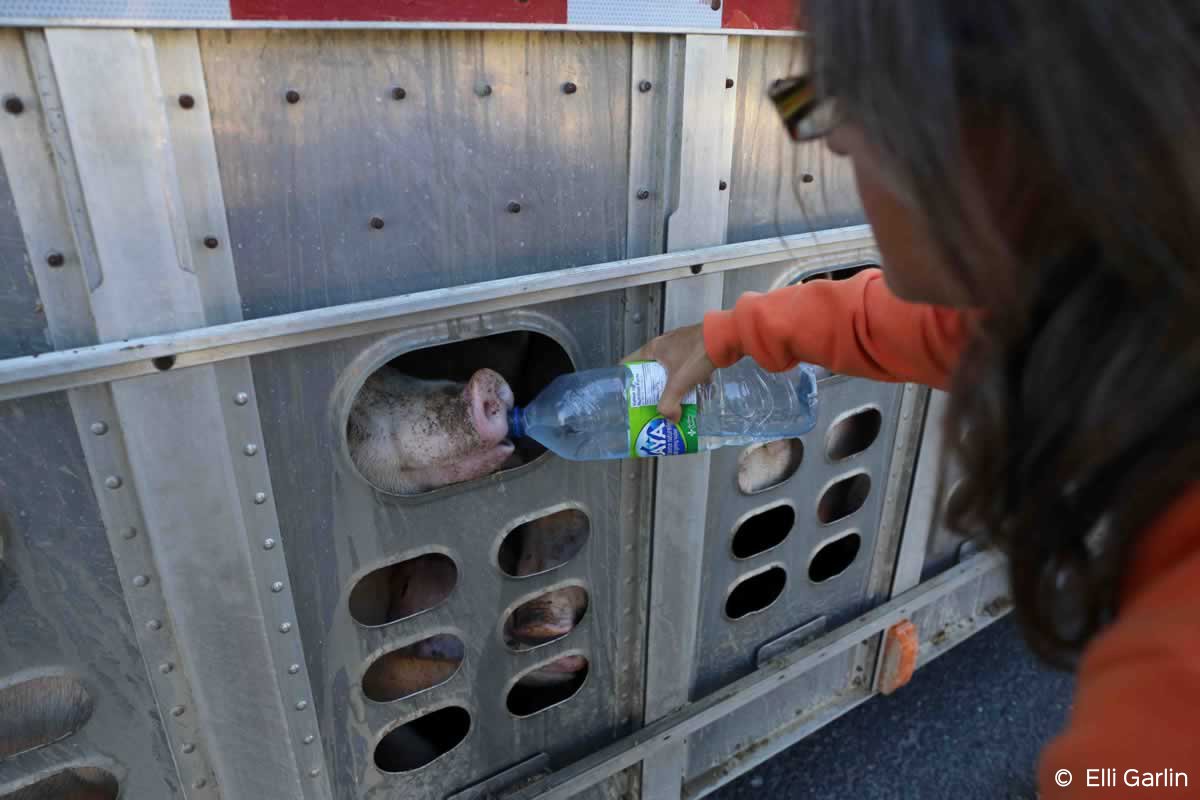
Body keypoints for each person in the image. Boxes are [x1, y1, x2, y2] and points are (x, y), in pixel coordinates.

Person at [629, 1, 1200, 796]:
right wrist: (736, 331)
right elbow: (946, 327)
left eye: (843, 94)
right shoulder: (1127, 301)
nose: (829, 137)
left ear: (1003, 122)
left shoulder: (1167, 706)